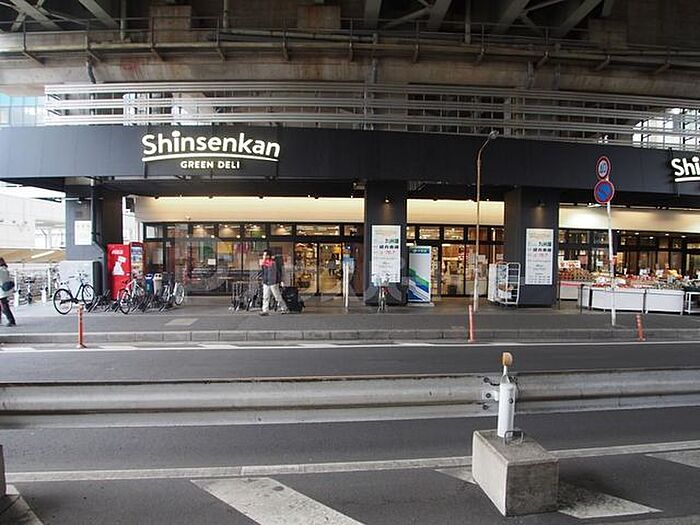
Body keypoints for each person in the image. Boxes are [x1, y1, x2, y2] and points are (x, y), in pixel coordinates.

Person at [259, 250, 287, 315]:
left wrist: (281, 280)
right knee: (265, 296)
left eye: (265, 255)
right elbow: (263, 272)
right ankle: (265, 310)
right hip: (266, 282)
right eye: (263, 255)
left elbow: (278, 273)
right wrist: (263, 279)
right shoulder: (264, 263)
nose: (264, 256)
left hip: (273, 282)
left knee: (277, 296)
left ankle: (284, 308)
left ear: (269, 256)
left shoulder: (274, 263)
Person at [0, 257, 17, 327]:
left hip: (1, 292)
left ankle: (11, 321)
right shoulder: (5, 269)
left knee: (4, 307)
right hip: (5, 291)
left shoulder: (1, 270)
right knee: (3, 306)